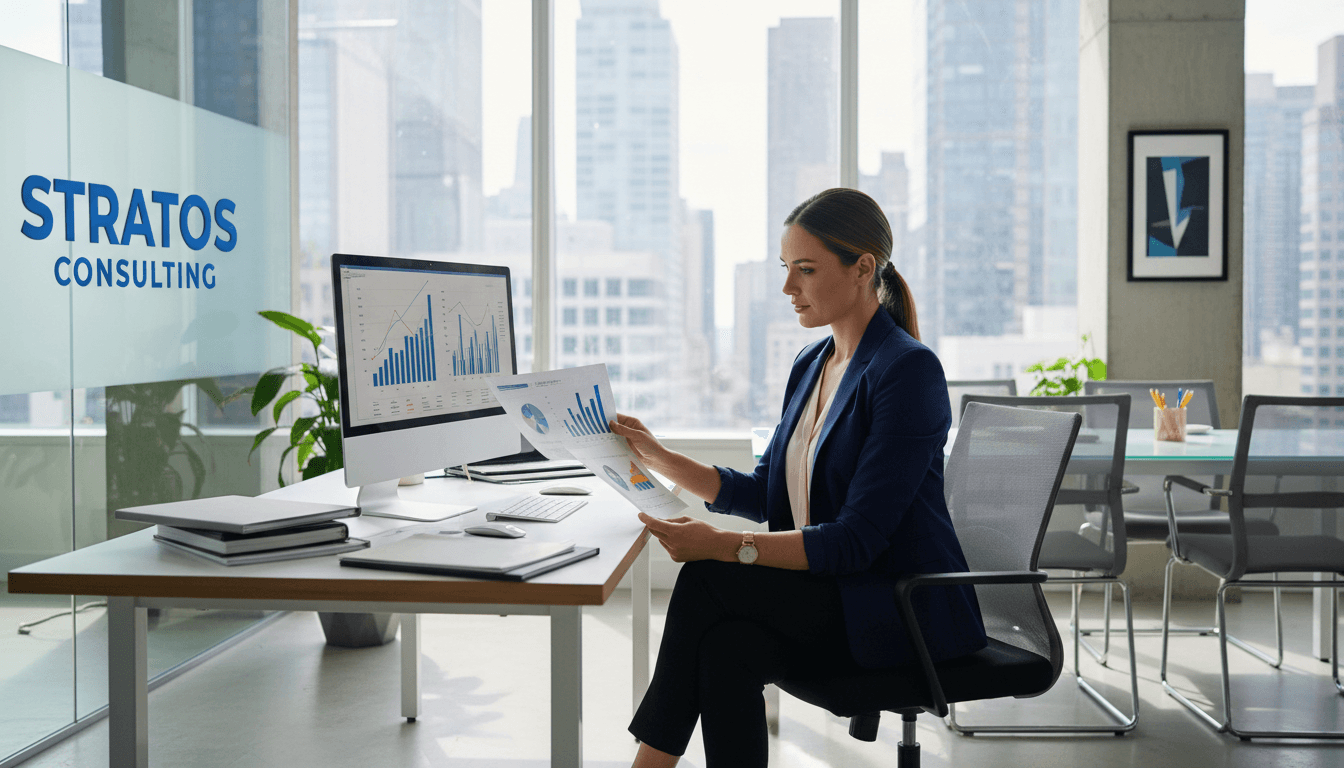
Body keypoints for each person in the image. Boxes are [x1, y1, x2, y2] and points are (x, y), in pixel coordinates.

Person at [608, 188, 987, 768]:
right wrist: (659, 456)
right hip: (839, 595)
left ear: (863, 268)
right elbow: (767, 490)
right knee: (726, 648)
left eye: (805, 270)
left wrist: (724, 546)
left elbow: (856, 539)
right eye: (786, 269)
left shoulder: (907, 371)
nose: (788, 289)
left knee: (709, 579)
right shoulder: (812, 365)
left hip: (901, 608)